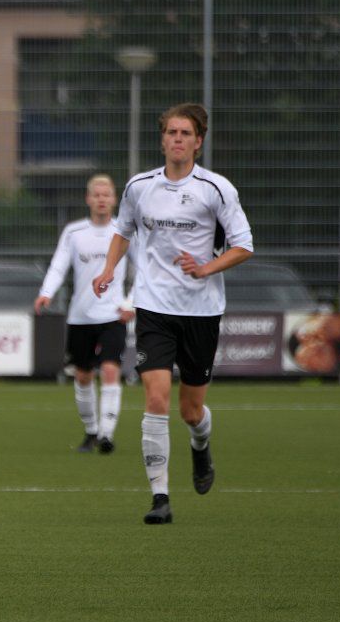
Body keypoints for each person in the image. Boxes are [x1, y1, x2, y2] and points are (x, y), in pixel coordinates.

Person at [92, 103, 253, 524]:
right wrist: (108, 270)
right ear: (162, 139)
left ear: (198, 141)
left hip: (201, 311)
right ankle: (160, 498)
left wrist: (205, 268)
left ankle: (201, 445)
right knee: (156, 397)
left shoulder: (216, 189)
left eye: (185, 133)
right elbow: (123, 231)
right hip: (153, 307)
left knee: (191, 411)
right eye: (171, 132)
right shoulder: (139, 186)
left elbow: (243, 245)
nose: (177, 139)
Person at [34, 174, 134, 455]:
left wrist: (131, 303)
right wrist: (46, 292)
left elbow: (145, 269)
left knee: (111, 370)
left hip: (113, 315)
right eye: (96, 195)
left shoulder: (125, 231)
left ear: (114, 199)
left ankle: (106, 434)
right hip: (80, 316)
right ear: (88, 199)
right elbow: (58, 265)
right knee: (83, 375)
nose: (102, 199)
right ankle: (91, 431)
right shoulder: (74, 232)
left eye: (106, 194)